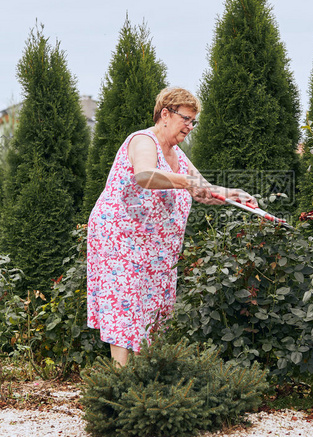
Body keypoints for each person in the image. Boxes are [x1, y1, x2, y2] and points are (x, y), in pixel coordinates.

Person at [87, 86, 257, 366]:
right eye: (185, 119)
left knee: (154, 306)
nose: (190, 126)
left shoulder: (177, 153)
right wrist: (185, 182)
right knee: (125, 305)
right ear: (165, 114)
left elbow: (202, 191)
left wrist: (232, 194)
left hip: (155, 247)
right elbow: (144, 175)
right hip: (120, 239)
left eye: (193, 121)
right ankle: (120, 384)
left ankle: (145, 380)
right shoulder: (143, 141)